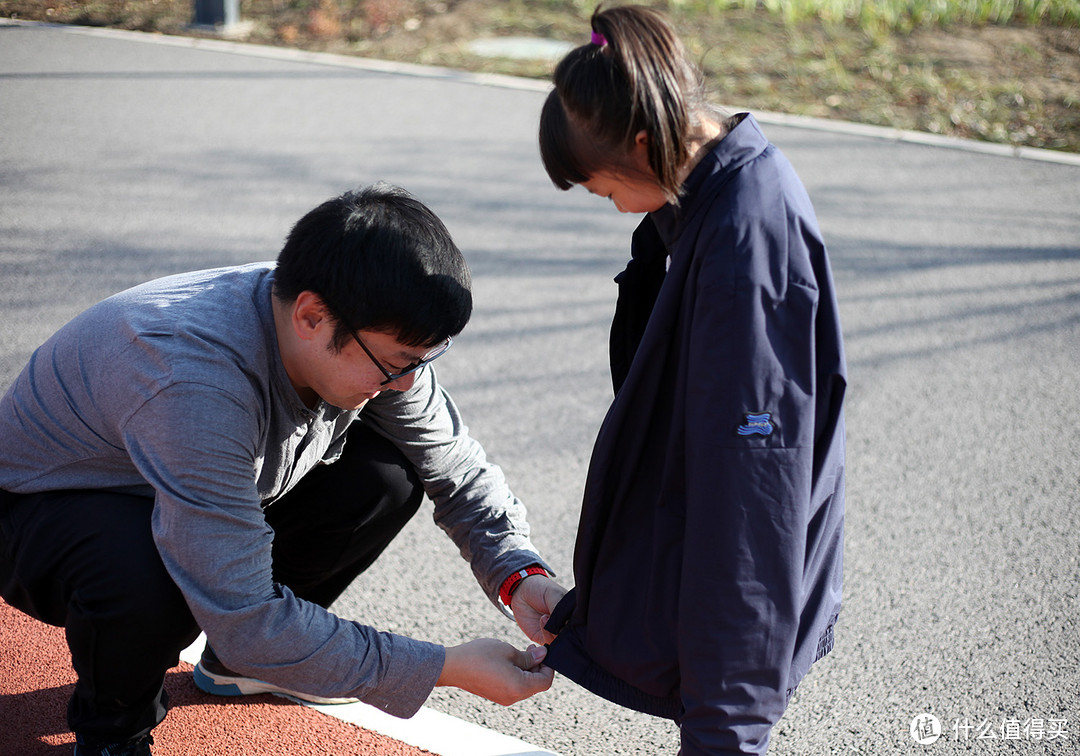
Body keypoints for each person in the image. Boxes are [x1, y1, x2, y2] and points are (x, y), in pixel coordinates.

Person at [0, 183, 567, 756]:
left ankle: (245, 667)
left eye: (420, 362)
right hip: (41, 512)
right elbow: (243, 613)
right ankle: (111, 737)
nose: (406, 382)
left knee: (385, 477)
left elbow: (455, 467)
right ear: (311, 317)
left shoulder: (362, 317)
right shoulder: (191, 381)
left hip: (176, 485)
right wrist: (441, 667)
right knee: (152, 569)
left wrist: (517, 575)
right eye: (397, 364)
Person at [536, 6, 847, 755]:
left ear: (643, 144)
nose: (606, 204)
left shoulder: (747, 245)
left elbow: (754, 505)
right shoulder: (709, 196)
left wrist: (727, 723)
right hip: (704, 546)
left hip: (736, 603)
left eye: (600, 186)